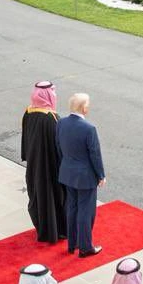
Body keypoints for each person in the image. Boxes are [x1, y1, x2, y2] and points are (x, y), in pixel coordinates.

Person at [57, 92, 104, 256]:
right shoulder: (89, 129)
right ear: (84, 108)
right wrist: (101, 175)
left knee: (72, 208)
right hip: (85, 177)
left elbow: (59, 147)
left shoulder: (61, 123)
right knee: (86, 211)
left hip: (67, 173)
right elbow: (95, 155)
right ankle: (85, 247)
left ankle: (73, 243)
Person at [20, 81, 66, 244]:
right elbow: (59, 147)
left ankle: (43, 229)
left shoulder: (28, 112)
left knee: (38, 196)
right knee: (54, 198)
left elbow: (25, 137)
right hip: (51, 167)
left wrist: (28, 156)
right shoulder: (51, 118)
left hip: (34, 165)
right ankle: (57, 231)